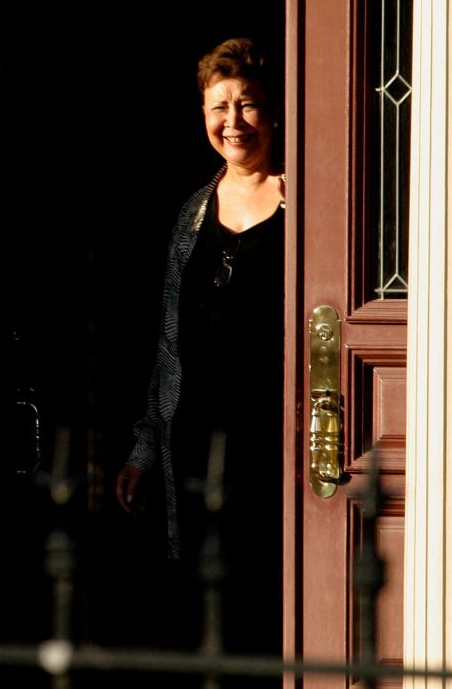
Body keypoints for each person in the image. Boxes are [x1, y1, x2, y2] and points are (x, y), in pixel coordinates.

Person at [115, 37, 284, 663]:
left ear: (273, 113)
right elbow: (168, 345)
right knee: (205, 600)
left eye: (248, 105)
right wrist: (143, 447)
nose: (233, 123)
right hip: (195, 440)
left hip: (277, 441)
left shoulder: (310, 207)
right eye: (219, 107)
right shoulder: (192, 214)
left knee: (272, 592)